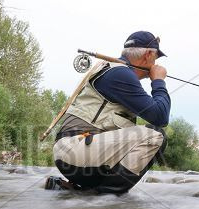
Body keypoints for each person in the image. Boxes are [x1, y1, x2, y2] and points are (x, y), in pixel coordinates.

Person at [46, 31, 171, 194]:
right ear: (148, 55)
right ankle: (106, 198)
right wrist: (159, 81)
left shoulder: (115, 72)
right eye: (156, 58)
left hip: (75, 157)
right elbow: (160, 117)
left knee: (145, 135)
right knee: (155, 136)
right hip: (74, 152)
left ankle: (84, 192)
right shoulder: (121, 74)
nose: (155, 63)